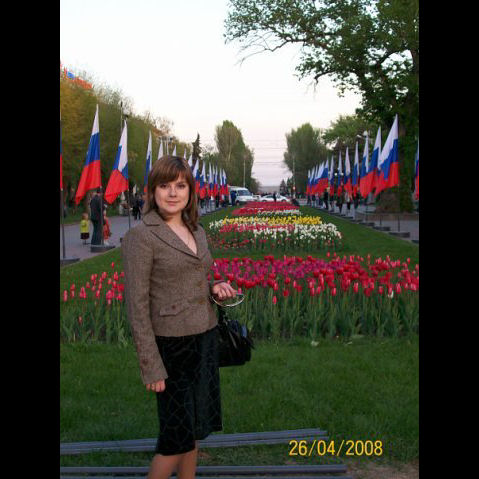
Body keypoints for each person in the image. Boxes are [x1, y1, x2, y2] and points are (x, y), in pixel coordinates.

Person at [122, 155, 236, 479]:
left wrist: (215, 288)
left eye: (180, 185)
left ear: (190, 191)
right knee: (174, 439)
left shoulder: (196, 230)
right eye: (165, 185)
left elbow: (195, 278)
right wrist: (151, 365)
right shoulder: (141, 237)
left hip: (204, 338)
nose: (173, 193)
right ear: (152, 191)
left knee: (194, 430)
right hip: (171, 349)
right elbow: (137, 306)